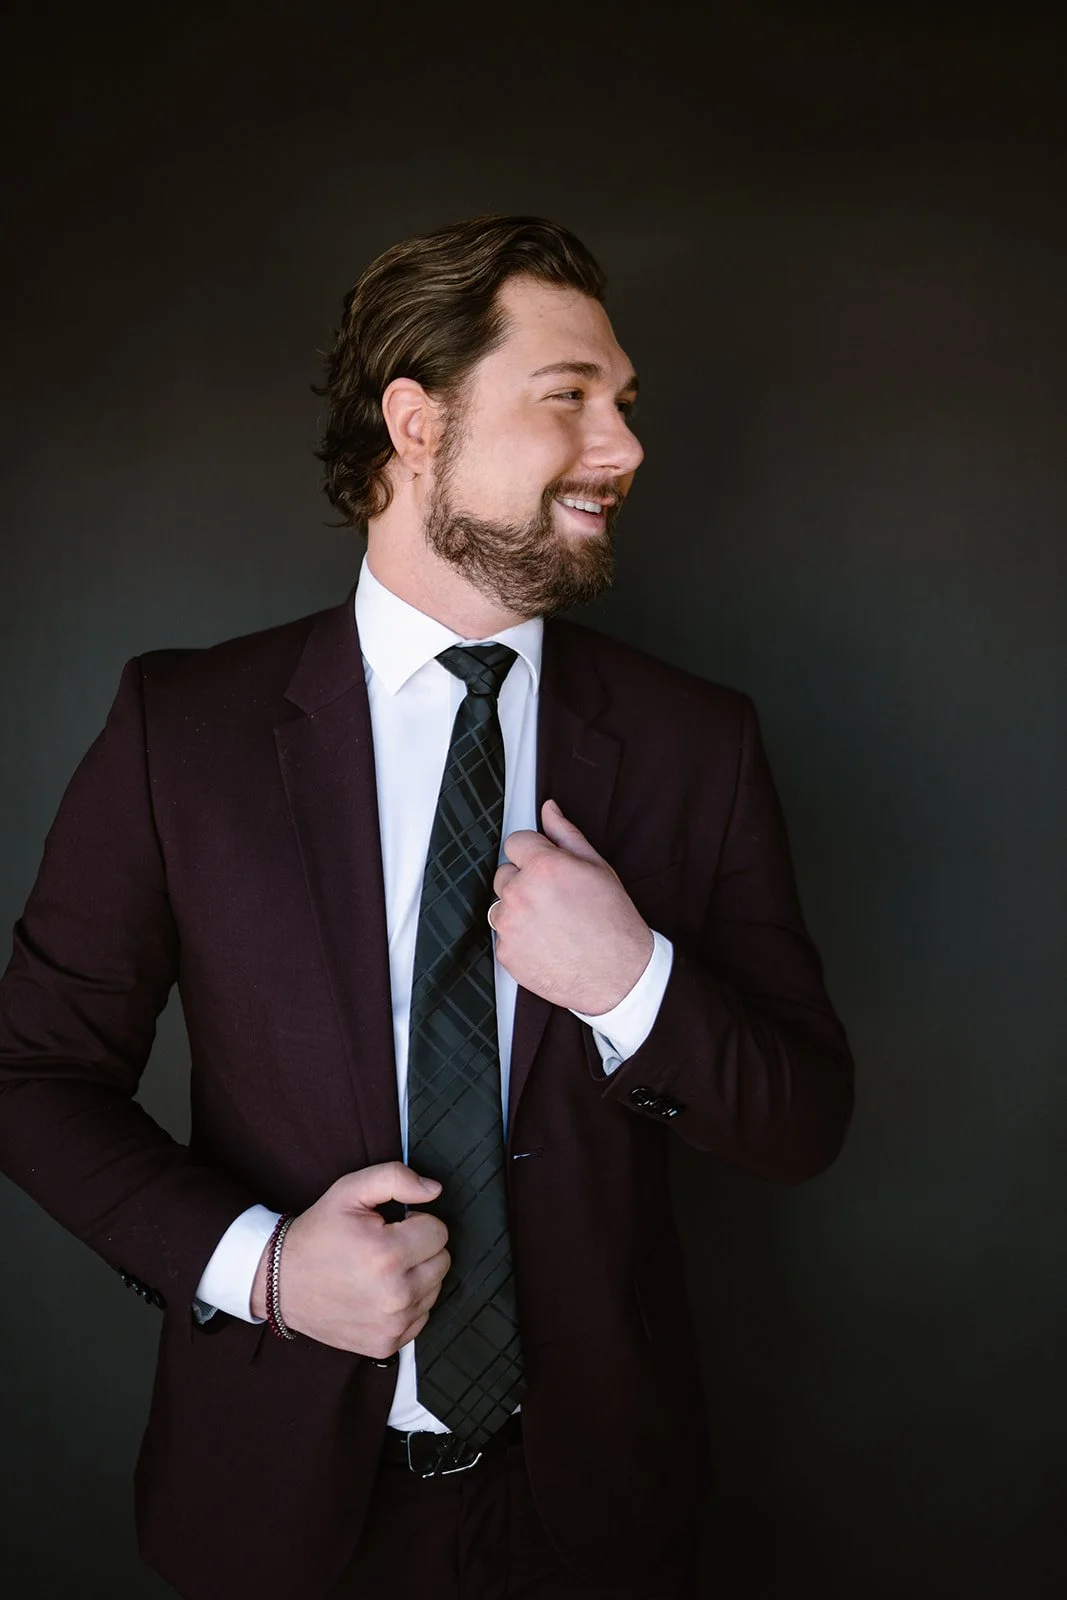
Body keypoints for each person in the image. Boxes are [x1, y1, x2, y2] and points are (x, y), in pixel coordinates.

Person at [0, 215, 854, 1599]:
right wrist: (264, 1269)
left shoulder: (699, 745)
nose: (624, 446)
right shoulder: (186, 731)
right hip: (275, 1507)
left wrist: (629, 980)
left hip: (597, 1514)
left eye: (623, 403)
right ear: (416, 421)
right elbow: (31, 1074)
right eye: (567, 396)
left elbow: (803, 1119)